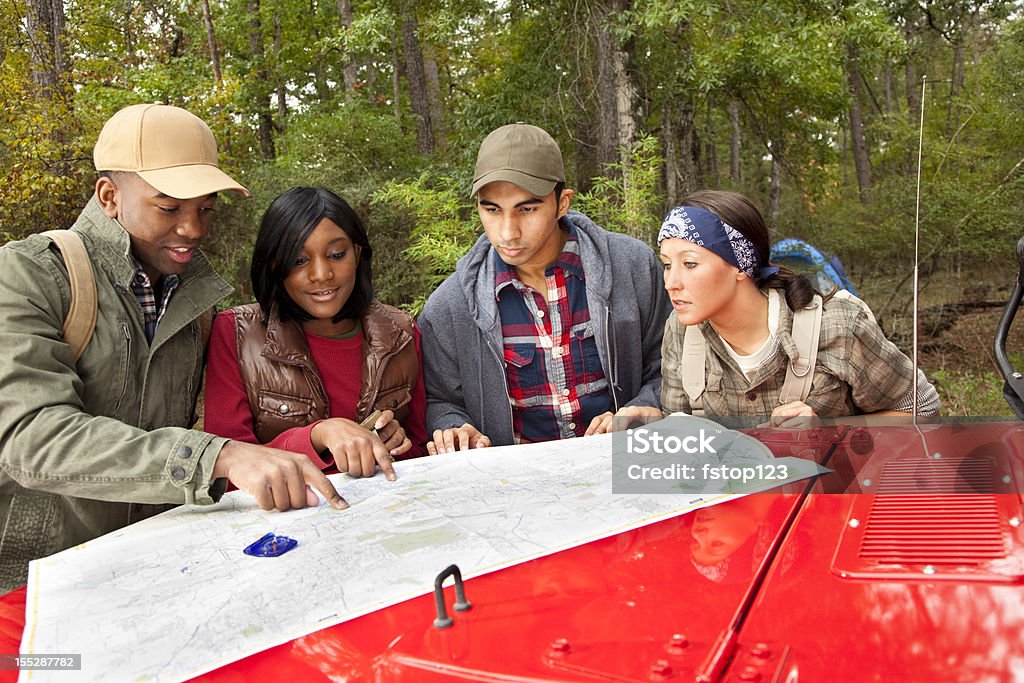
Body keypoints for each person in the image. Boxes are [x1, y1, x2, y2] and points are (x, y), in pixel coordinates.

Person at [0, 104, 346, 592]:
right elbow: (33, 440)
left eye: (205, 208)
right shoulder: (30, 275)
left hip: (153, 571)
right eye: (170, 207)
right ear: (109, 196)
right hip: (33, 584)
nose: (193, 229)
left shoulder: (194, 300)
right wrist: (218, 457)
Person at [418, 123, 672, 453]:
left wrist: (642, 409)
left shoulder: (632, 268)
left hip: (622, 467)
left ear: (562, 202)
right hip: (518, 486)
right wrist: (453, 427)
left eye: (527, 209)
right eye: (491, 209)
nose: (507, 232)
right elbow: (439, 400)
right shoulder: (450, 308)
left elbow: (669, 367)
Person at [658, 189, 940, 422]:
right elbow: (681, 434)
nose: (672, 282)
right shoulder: (682, 331)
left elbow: (923, 409)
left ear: (740, 266)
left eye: (690, 264)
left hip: (835, 489)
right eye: (667, 265)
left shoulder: (837, 327)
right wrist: (652, 423)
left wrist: (827, 430)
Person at [203, 186, 428, 476]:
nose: (321, 274)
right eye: (299, 260)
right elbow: (225, 470)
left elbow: (421, 451)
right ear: (274, 265)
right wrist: (317, 437)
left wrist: (396, 445)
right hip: (282, 519)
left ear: (357, 254)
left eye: (336, 254)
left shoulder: (401, 333)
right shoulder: (236, 334)